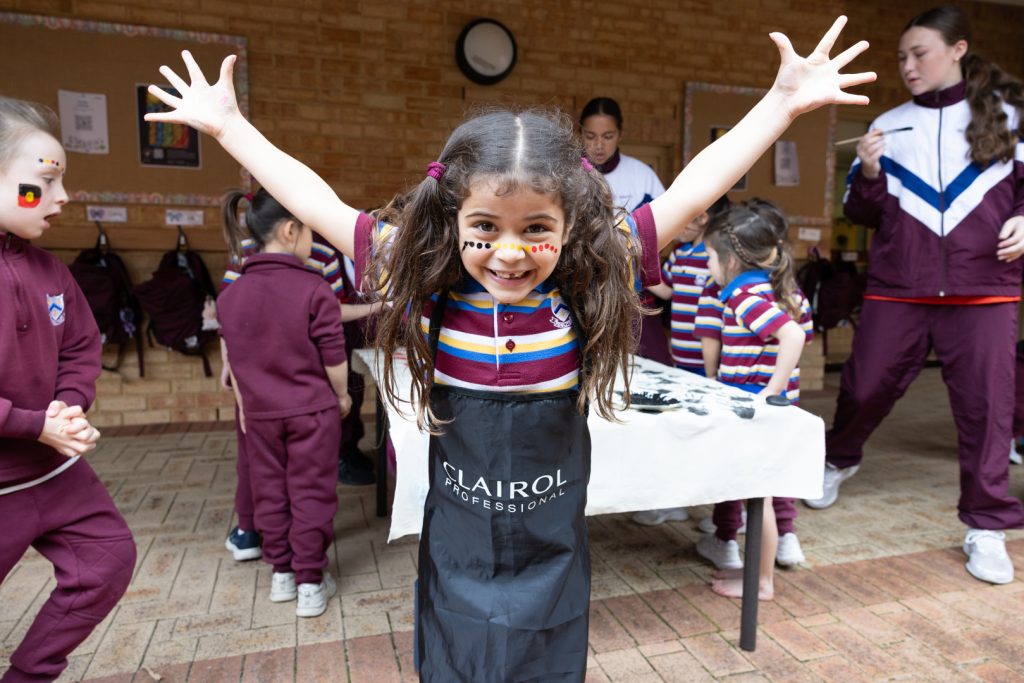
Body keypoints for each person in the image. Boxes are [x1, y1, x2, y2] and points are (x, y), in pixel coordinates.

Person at [146, 17, 872, 679]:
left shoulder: (595, 267)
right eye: (485, 226)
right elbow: (315, 202)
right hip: (457, 544)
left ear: (571, 220)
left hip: (551, 547)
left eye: (536, 228)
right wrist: (230, 126)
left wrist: (781, 106)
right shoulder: (420, 271)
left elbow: (690, 188)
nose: (510, 253)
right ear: (453, 215)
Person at [804, 5, 1024, 586]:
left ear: (958, 50)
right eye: (901, 56)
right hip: (900, 287)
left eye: (919, 53)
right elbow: (858, 210)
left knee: (986, 411)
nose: (907, 66)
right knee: (865, 384)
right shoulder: (889, 123)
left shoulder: (1011, 119)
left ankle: (986, 525)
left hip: (984, 291)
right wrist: (870, 173)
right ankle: (837, 460)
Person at [0, 96, 136, 682]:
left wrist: (70, 405)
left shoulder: (53, 272)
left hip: (55, 474)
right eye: (42, 183)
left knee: (107, 561)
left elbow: (81, 347)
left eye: (62, 181)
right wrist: (34, 424)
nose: (61, 198)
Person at [219, 193, 381, 563]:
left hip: (257, 390)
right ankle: (297, 561)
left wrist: (232, 368)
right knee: (307, 484)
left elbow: (228, 318)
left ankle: (271, 553)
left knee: (264, 473)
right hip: (304, 394)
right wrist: (342, 396)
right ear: (292, 229)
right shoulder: (316, 256)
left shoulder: (246, 260)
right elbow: (331, 320)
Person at [695, 205, 814, 600]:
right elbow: (805, 329)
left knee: (758, 500)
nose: (707, 264)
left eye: (709, 257)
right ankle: (755, 575)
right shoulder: (780, 288)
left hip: (758, 414)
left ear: (729, 259)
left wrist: (772, 391)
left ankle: (761, 583)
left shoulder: (745, 296)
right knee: (757, 498)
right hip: (765, 413)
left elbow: (793, 337)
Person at [631, 194, 730, 527]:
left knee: (714, 434)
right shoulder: (682, 254)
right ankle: (675, 501)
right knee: (684, 429)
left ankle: (732, 512)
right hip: (683, 358)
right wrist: (636, 263)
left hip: (710, 362)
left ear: (701, 217)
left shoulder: (718, 257)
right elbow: (667, 290)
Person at [581, 96, 673, 365]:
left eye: (608, 136)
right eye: (591, 135)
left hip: (634, 288)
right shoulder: (569, 174)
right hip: (584, 285)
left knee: (648, 364)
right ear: (580, 133)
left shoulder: (642, 175)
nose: (599, 145)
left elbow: (664, 230)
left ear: (620, 134)